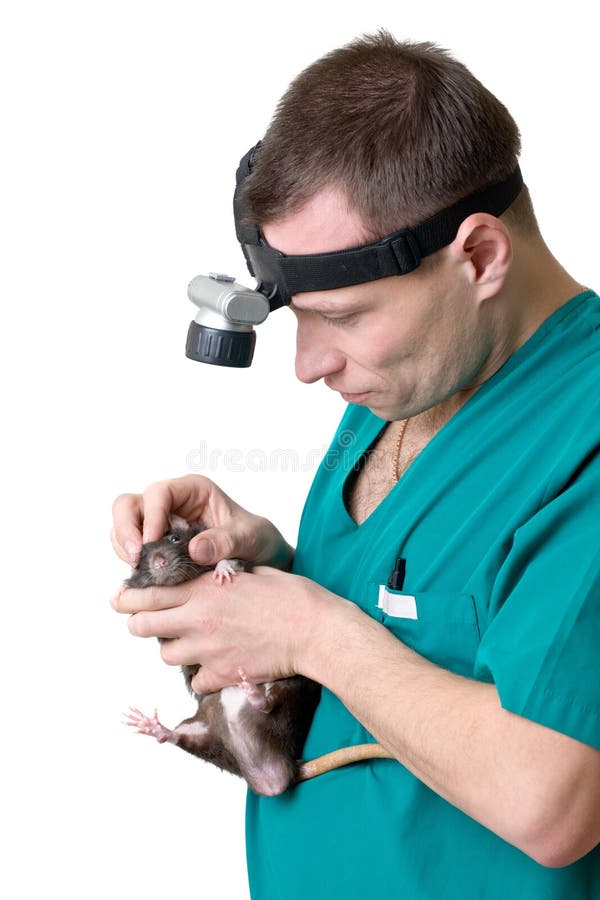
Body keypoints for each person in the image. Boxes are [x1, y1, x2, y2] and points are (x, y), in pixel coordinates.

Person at [111, 31, 600, 899]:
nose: (308, 364)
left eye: (342, 314)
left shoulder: (581, 429)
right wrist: (265, 570)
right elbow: (410, 633)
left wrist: (306, 627)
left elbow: (551, 801)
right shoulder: (407, 381)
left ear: (480, 257)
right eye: (297, 315)